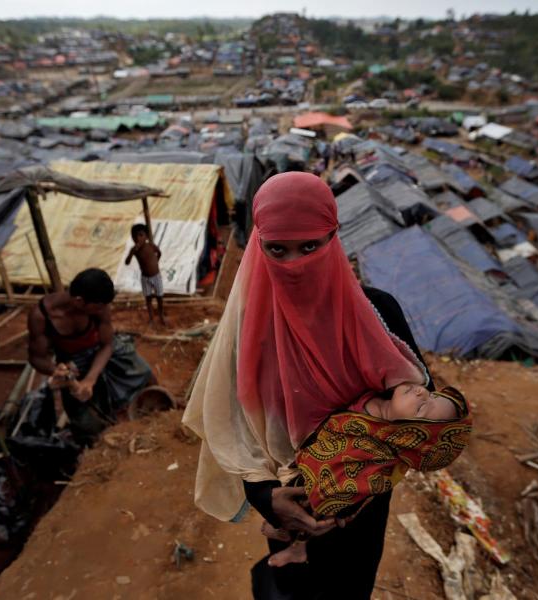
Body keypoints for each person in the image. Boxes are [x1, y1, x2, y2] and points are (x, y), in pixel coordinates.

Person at [183, 172, 437, 599]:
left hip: (364, 505)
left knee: (350, 586)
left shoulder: (379, 316)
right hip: (291, 502)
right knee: (296, 586)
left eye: (310, 247)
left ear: (333, 239)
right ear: (258, 245)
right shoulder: (250, 329)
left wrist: (363, 478)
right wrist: (265, 496)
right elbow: (235, 426)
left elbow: (422, 410)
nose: (294, 264)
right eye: (277, 250)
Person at [264, 384, 471, 567]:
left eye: (421, 407)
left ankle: (294, 543)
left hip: (323, 495)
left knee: (314, 509)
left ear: (407, 434)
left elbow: (350, 486)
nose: (420, 391)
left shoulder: (378, 453)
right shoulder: (379, 386)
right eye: (432, 395)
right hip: (299, 454)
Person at [28, 268, 154, 445]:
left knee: (144, 373)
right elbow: (36, 358)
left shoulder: (98, 305)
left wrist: (90, 379)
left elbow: (108, 345)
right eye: (99, 306)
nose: (104, 310)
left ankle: (153, 405)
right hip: (73, 361)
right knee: (86, 423)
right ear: (79, 301)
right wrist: (56, 370)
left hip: (103, 349)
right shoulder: (41, 316)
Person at [124, 223, 166, 327]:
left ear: (146, 236)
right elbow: (127, 262)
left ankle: (161, 315)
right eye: (135, 236)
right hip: (145, 278)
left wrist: (156, 260)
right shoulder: (135, 250)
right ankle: (151, 319)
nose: (138, 238)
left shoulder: (151, 246)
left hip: (156, 276)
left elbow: (159, 252)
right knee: (148, 299)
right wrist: (131, 253)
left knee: (159, 297)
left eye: (140, 235)